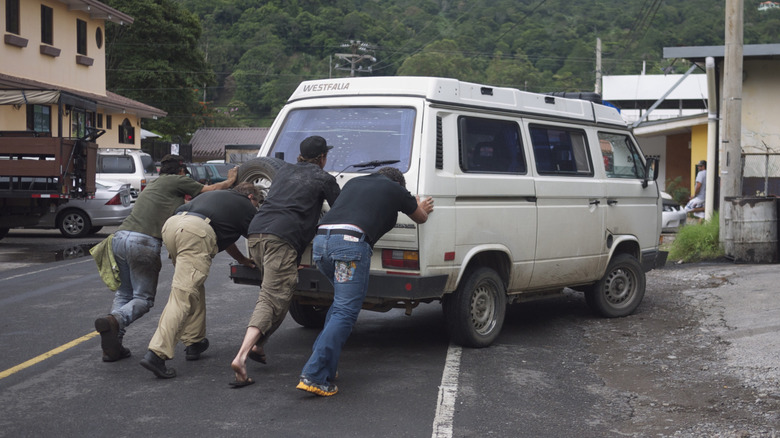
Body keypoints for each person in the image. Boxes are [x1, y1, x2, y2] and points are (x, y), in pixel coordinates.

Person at [297, 167, 434, 396]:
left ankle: (326, 366)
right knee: (345, 310)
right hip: (350, 245)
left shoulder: (354, 182)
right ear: (399, 184)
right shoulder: (395, 189)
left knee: (340, 305)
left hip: (322, 243)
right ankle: (314, 375)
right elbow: (420, 217)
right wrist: (418, 203)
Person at [94, 154, 237, 362]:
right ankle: (115, 319)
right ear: (180, 171)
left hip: (119, 238)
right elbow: (210, 190)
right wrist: (231, 181)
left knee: (124, 294)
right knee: (143, 299)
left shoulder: (155, 184)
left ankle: (113, 345)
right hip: (143, 242)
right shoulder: (177, 179)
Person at [229, 136, 340, 388]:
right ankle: (241, 357)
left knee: (280, 294)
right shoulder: (324, 178)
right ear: (323, 158)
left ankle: (258, 345)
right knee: (271, 298)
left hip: (256, 233)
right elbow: (339, 209)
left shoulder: (283, 171)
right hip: (282, 238)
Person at [140, 182, 260, 379]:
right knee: (183, 295)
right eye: (257, 203)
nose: (255, 207)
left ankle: (194, 342)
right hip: (195, 232)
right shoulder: (246, 205)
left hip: (172, 226)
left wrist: (242, 260)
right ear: (250, 197)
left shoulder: (220, 198)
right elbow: (258, 238)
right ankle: (156, 353)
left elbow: (228, 239)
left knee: (192, 285)